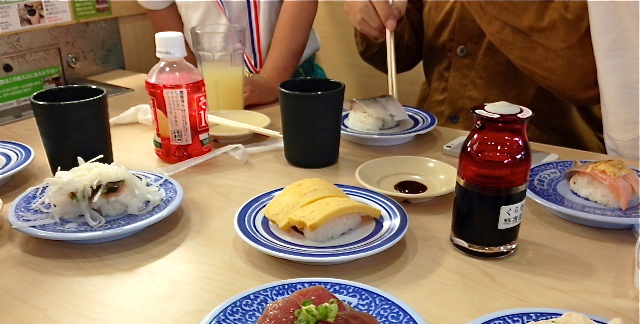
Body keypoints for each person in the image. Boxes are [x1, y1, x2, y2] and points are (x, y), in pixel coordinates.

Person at [345, 0, 605, 154]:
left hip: (544, 166)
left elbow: (583, 76)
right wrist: (376, 18)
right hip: (433, 147)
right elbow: (400, 54)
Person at [138, 0, 325, 107]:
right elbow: (159, 5)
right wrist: (192, 79)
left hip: (292, 82)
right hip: (211, 90)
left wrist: (270, 81)